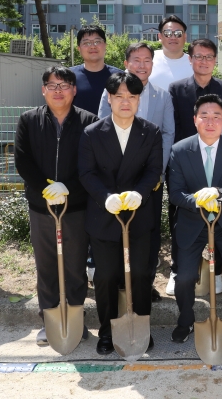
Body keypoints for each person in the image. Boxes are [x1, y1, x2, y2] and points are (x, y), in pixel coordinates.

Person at [79, 72, 163, 355]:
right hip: (104, 217)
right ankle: (106, 330)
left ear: (139, 99)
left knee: (140, 274)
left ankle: (141, 327)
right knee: (105, 277)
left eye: (132, 96)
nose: (126, 102)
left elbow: (153, 169)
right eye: (119, 96)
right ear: (109, 98)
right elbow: (86, 172)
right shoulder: (92, 132)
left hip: (139, 216)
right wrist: (106, 197)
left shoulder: (150, 132)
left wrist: (141, 191)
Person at [15, 67, 98, 346]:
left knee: (75, 265)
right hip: (42, 207)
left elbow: (92, 164)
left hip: (76, 206)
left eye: (64, 85)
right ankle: (48, 320)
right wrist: (45, 189)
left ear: (74, 90)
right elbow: (23, 161)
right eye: (52, 85)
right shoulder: (28, 120)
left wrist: (69, 188)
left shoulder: (89, 122)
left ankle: (75, 318)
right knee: (47, 265)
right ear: (43, 90)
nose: (58, 90)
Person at [167, 94, 222, 344]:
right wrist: (200, 202)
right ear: (195, 120)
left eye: (217, 117)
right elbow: (175, 193)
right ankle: (185, 320)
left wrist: (219, 194)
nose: (210, 121)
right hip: (193, 221)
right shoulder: (180, 150)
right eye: (204, 116)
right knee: (184, 277)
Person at [97, 43, 175, 302]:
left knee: (148, 233)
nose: (142, 65)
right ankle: (119, 281)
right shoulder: (110, 92)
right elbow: (101, 130)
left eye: (147, 61)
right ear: (126, 63)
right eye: (136, 60)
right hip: (115, 178)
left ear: (153, 65)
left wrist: (157, 171)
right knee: (115, 230)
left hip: (149, 180)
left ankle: (145, 282)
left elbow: (167, 133)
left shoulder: (162, 96)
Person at [167, 38, 222, 296]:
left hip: (219, 164)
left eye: (209, 57)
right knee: (180, 217)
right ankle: (178, 269)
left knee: (218, 217)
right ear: (190, 59)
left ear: (215, 61)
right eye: (198, 56)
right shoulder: (176, 90)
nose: (203, 61)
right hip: (184, 165)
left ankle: (215, 271)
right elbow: (171, 128)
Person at [70, 25, 122, 116]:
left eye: (97, 42)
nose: (93, 46)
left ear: (105, 45)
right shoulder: (69, 76)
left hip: (111, 129)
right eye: (86, 43)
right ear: (79, 49)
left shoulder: (120, 77)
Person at [148, 15, 194, 91]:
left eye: (178, 33)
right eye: (167, 33)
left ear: (185, 37)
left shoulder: (195, 63)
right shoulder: (148, 59)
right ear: (160, 37)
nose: (173, 37)